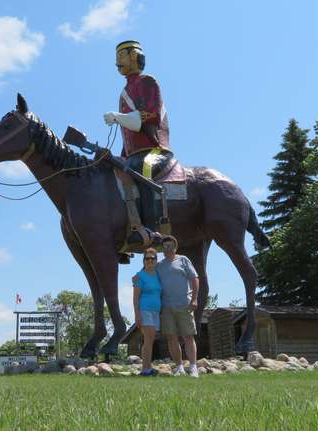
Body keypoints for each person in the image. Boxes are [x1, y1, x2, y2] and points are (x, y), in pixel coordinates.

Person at [103, 40, 172, 245]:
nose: (118, 61)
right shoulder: (124, 93)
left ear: (134, 56)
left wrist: (118, 117)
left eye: (122, 56)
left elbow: (150, 115)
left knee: (145, 171)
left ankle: (151, 230)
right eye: (117, 57)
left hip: (155, 150)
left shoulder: (148, 82)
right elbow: (128, 134)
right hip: (133, 153)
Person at [157, 236, 200, 377]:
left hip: (184, 305)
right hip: (167, 307)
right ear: (162, 249)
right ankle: (179, 367)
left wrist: (194, 299)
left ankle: (193, 367)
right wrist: (137, 278)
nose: (167, 249)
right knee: (171, 338)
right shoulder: (159, 265)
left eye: (170, 246)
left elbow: (195, 279)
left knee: (188, 336)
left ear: (175, 248)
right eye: (165, 247)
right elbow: (148, 275)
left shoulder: (183, 260)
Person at [133, 248, 163, 376]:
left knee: (150, 339)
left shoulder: (157, 275)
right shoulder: (140, 276)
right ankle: (145, 369)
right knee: (148, 339)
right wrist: (137, 315)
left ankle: (147, 367)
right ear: (143, 261)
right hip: (144, 310)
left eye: (153, 258)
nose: (150, 260)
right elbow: (135, 298)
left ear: (156, 260)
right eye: (147, 258)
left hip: (156, 312)